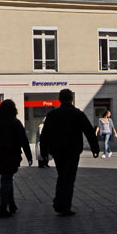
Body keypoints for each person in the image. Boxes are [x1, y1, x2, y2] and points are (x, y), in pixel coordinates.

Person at [37, 88, 101, 216]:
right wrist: (95, 148)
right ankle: (64, 205)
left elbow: (44, 135)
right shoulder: (78, 114)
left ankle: (59, 201)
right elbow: (89, 131)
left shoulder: (52, 115)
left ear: (60, 99)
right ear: (71, 99)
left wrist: (43, 152)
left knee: (62, 175)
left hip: (57, 151)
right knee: (69, 178)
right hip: (73, 150)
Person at [0, 99, 34, 218]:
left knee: (7, 178)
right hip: (12, 156)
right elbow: (24, 141)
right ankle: (3, 209)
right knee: (7, 179)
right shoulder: (16, 123)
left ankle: (12, 205)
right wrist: (29, 156)